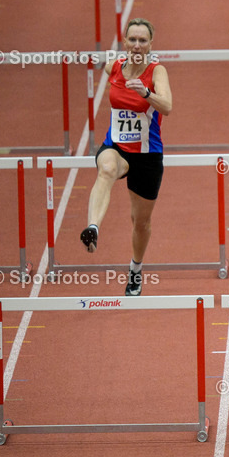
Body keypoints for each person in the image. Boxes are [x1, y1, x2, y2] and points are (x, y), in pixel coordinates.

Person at [80, 17, 172, 296]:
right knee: (106, 169)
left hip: (147, 155)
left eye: (143, 40)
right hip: (117, 147)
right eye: (132, 39)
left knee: (140, 222)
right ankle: (93, 227)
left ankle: (135, 270)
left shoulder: (157, 72)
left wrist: (146, 93)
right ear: (125, 42)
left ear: (150, 45)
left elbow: (167, 106)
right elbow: (102, 66)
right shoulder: (114, 66)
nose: (137, 45)